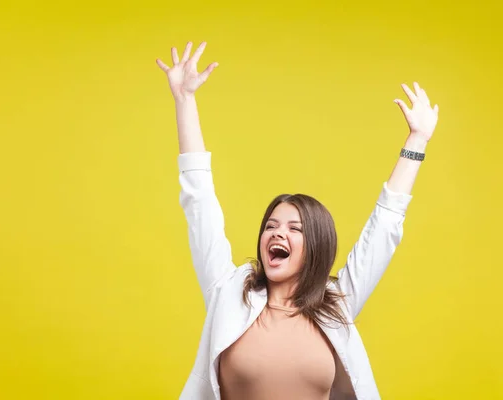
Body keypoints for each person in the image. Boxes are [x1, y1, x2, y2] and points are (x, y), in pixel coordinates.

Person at [157, 41, 439, 400]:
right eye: (271, 226)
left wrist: (417, 140)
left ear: (316, 245)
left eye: (295, 228)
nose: (277, 233)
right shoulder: (227, 292)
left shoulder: (337, 304)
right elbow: (200, 203)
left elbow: (383, 229)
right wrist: (184, 101)